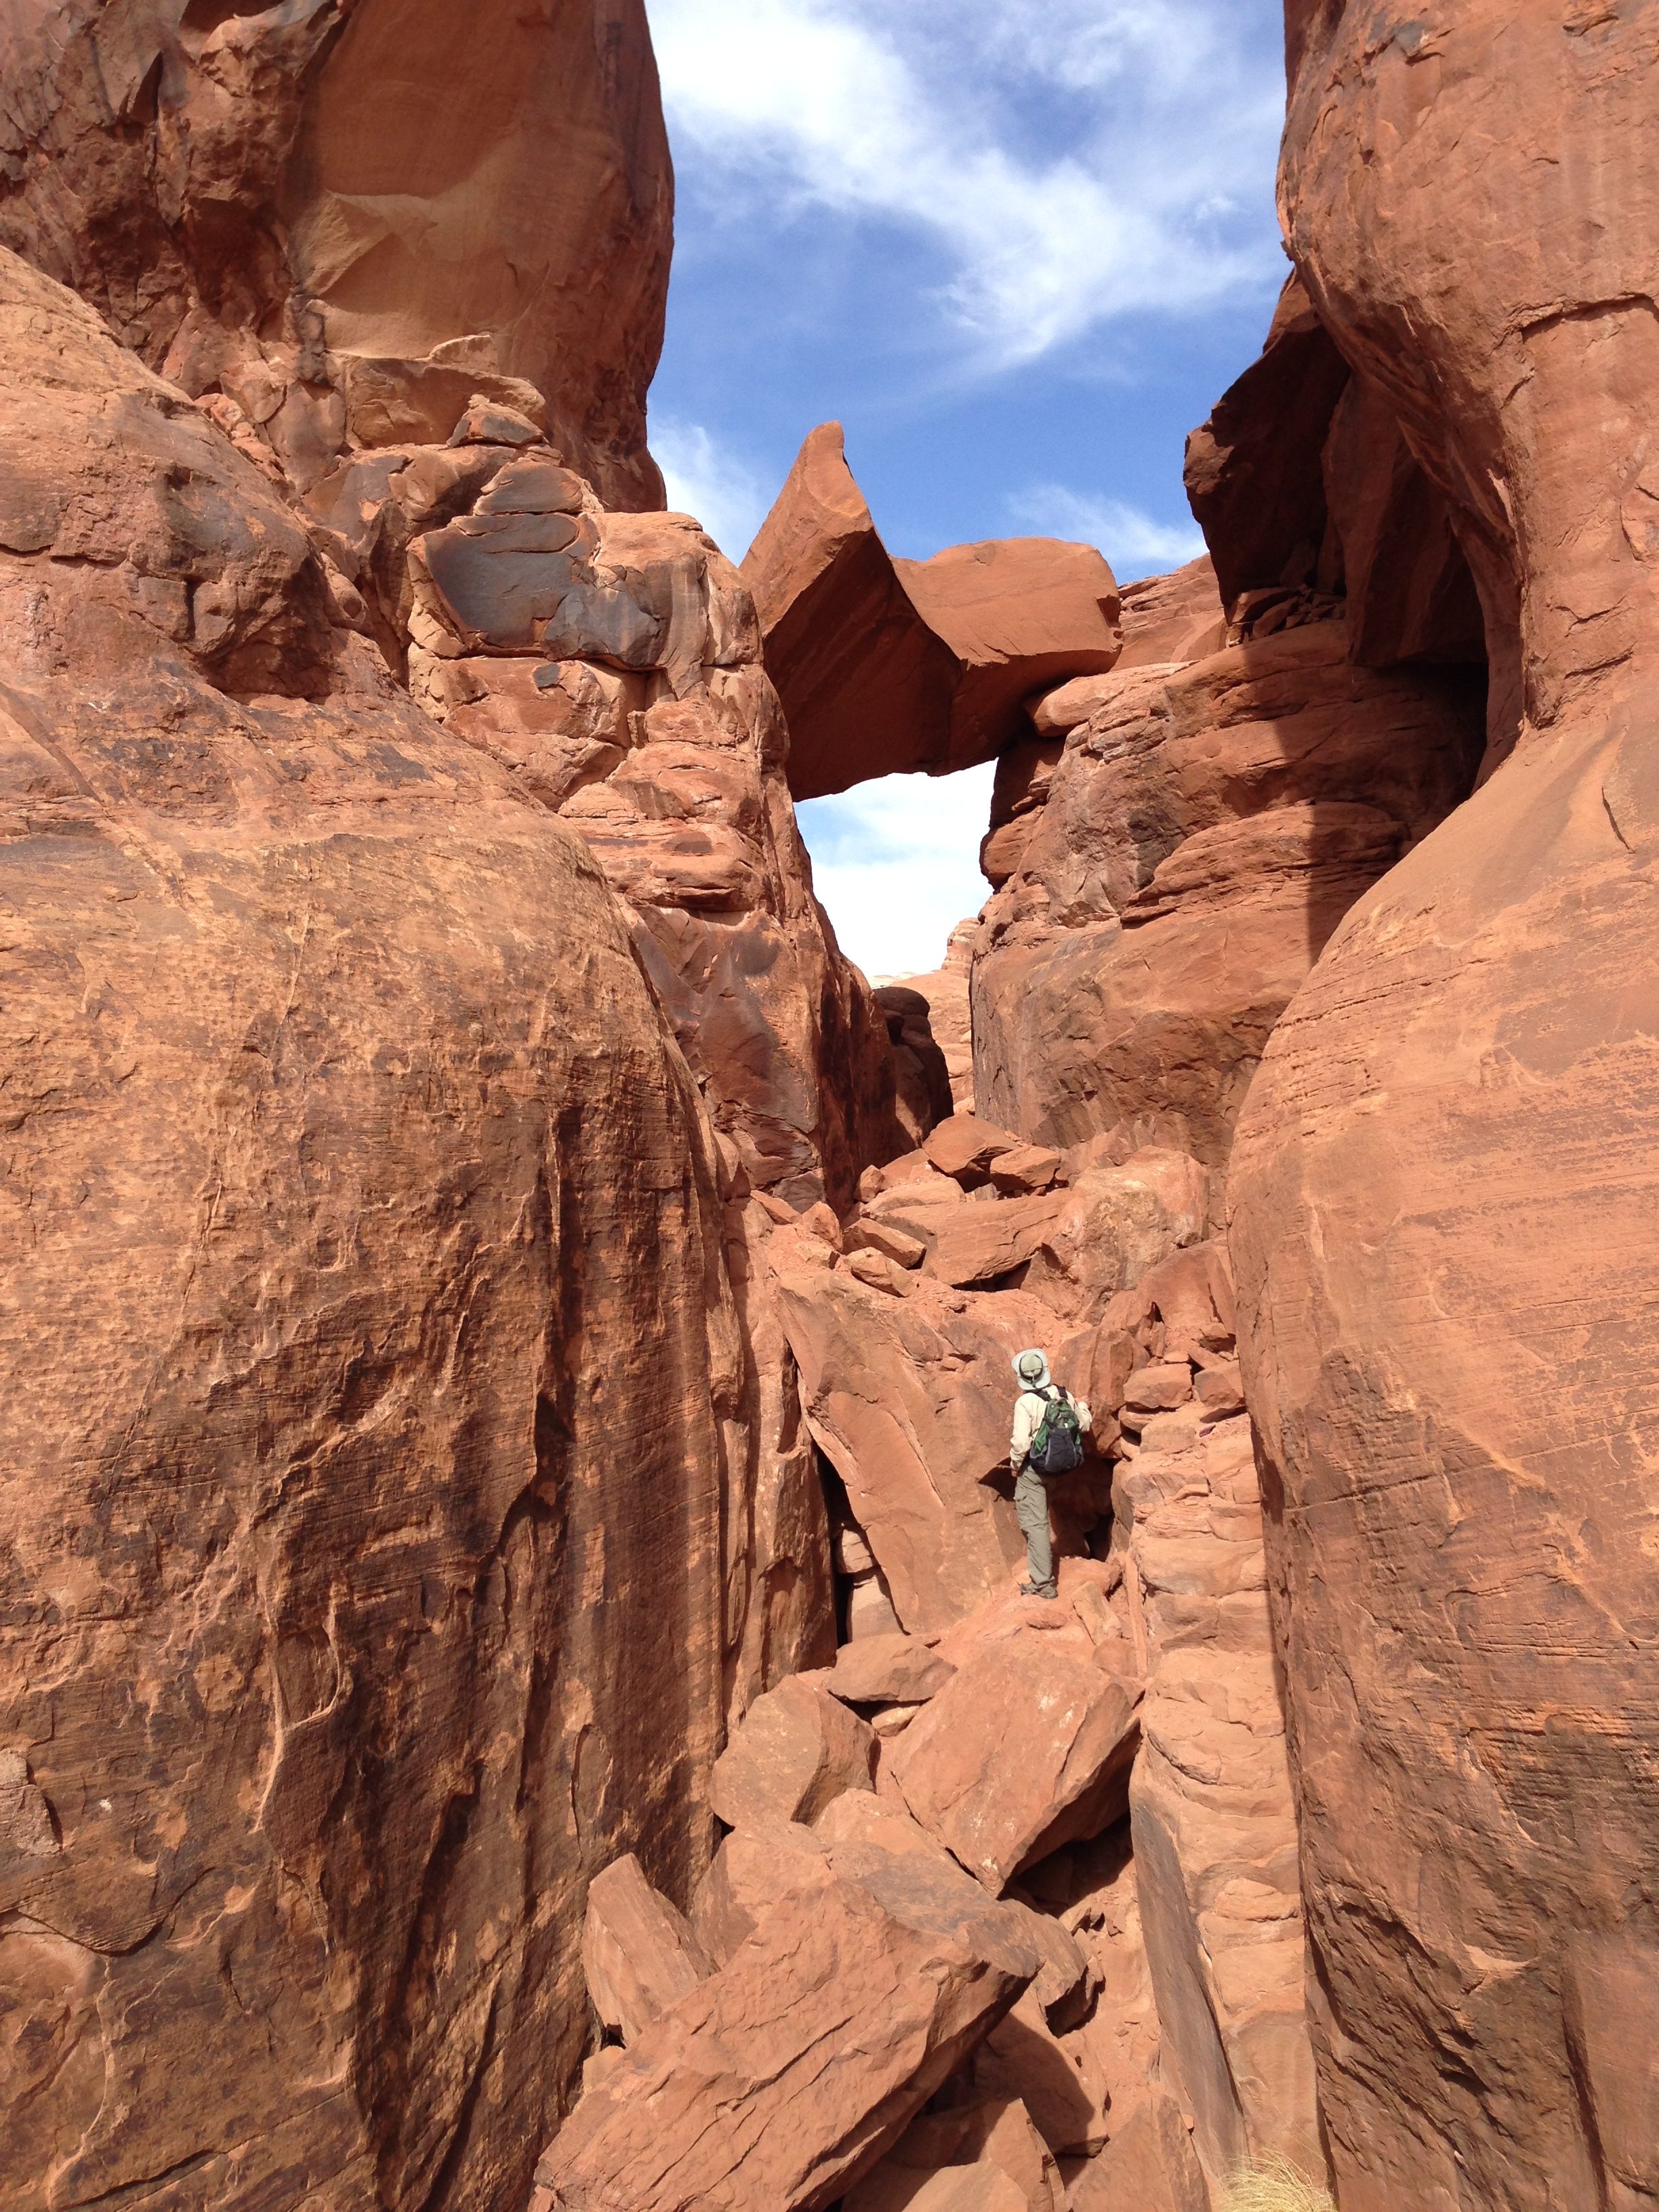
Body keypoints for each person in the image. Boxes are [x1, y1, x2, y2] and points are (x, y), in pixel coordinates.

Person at [1009, 1348, 1091, 1599]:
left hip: (1035, 1471)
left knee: (1035, 1526)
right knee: (1044, 1517)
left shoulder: (1025, 1402)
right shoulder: (1063, 1394)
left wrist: (1014, 1466)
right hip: (1061, 1468)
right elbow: (1085, 1425)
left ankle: (1043, 1585)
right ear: (1045, 1372)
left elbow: (1022, 1443)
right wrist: (1084, 1406)